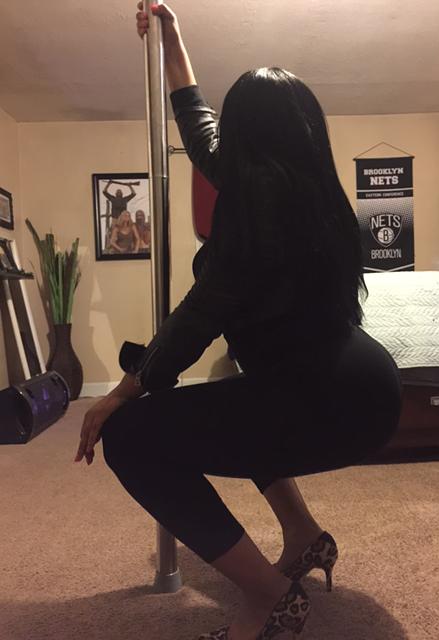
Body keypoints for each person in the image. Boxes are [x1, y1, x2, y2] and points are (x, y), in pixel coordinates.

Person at [75, 4, 402, 639]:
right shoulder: (308, 188)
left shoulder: (258, 206)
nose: (218, 138)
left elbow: (200, 316)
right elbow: (195, 120)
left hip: (333, 402)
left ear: (246, 136)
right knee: (234, 385)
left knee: (132, 438)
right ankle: (304, 536)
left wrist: (120, 393)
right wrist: (172, 35)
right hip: (361, 383)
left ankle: (269, 597)